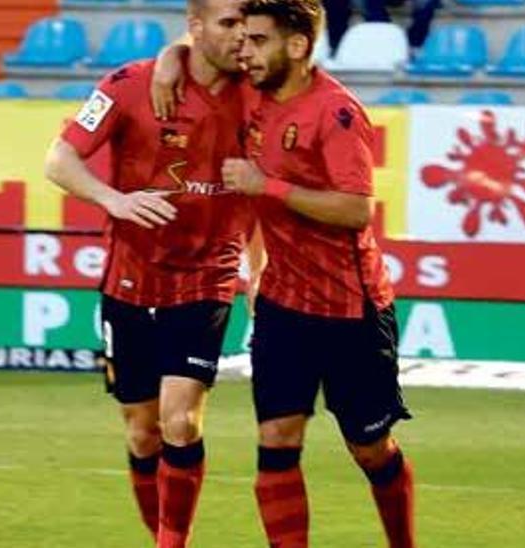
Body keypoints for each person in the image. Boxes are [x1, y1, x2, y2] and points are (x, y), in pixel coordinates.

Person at [43, 0, 254, 544]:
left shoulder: (259, 92)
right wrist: (113, 199)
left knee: (180, 421)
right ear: (196, 26)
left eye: (247, 26)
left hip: (207, 276)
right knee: (142, 433)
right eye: (228, 24)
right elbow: (59, 160)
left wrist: (259, 272)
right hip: (130, 278)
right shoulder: (126, 84)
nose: (240, 38)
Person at [214, 0, 416, 545]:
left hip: (352, 309)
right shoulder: (248, 97)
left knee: (370, 448)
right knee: (276, 439)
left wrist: (268, 186)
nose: (245, 51)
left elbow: (356, 210)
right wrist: (255, 277)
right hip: (283, 307)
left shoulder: (337, 113)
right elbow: (193, 51)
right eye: (245, 39)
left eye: (258, 40)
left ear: (297, 45)